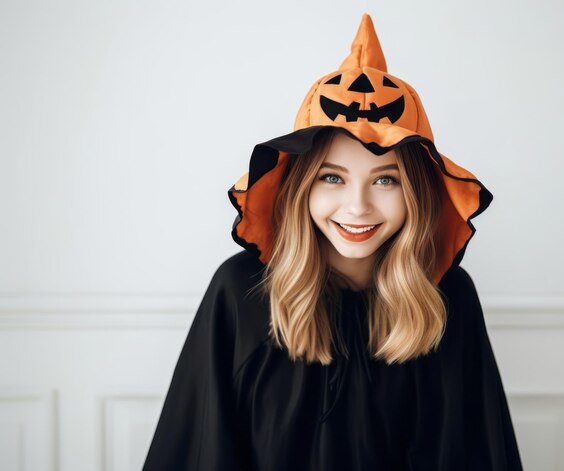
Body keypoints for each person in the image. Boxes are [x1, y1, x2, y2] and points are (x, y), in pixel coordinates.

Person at [143, 13, 524, 471]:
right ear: (300, 187)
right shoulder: (240, 292)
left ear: (417, 194)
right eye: (332, 178)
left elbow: (475, 452)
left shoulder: (447, 296)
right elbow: (202, 449)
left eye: (385, 180)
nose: (357, 206)